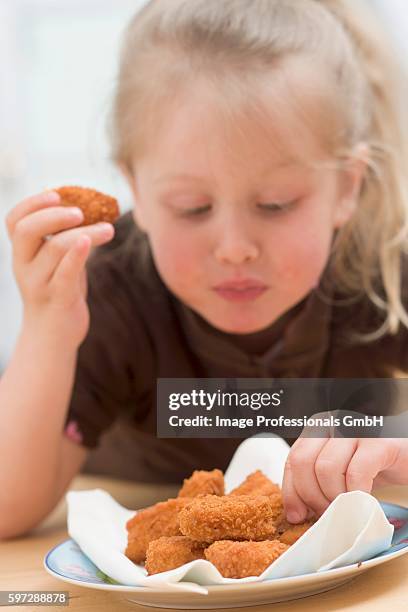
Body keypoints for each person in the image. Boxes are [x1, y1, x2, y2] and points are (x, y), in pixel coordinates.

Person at [1, 0, 408, 538]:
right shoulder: (112, 287)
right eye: (192, 207)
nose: (235, 249)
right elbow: (7, 509)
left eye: (276, 204)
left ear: (346, 188)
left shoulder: (378, 265)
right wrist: (48, 329)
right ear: (138, 190)